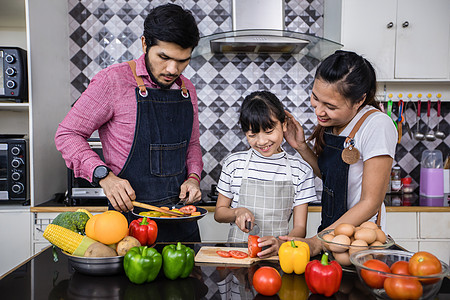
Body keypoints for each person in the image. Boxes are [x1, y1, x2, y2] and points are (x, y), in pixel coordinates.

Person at [55, 4, 203, 242]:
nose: (172, 69)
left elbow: (192, 144)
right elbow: (67, 134)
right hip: (127, 227)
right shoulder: (112, 81)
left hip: (180, 223)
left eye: (182, 60)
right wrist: (104, 176)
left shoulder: (188, 90)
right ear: (145, 44)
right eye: (164, 57)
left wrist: (193, 178)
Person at [280, 50, 398, 256]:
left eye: (330, 106)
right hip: (331, 231)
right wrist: (301, 146)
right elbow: (331, 174)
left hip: (360, 241)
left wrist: (318, 241)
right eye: (316, 98)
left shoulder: (377, 125)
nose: (319, 111)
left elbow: (371, 202)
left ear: (359, 100)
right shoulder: (334, 123)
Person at [214, 91, 317, 258]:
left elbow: (300, 228)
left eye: (269, 131)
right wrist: (237, 212)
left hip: (278, 256)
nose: (261, 142)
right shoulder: (234, 163)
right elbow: (219, 213)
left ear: (284, 124)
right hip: (239, 256)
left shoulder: (300, 170)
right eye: (252, 135)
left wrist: (281, 244)